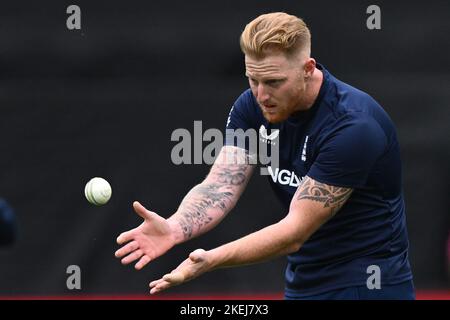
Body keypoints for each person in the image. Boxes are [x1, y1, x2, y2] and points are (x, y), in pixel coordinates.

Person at [115, 12, 414, 300]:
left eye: (273, 82)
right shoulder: (252, 106)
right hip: (303, 280)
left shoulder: (353, 127)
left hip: (367, 284)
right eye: (252, 80)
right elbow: (221, 185)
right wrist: (174, 227)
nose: (261, 95)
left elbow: (294, 232)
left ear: (308, 69)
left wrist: (213, 259)